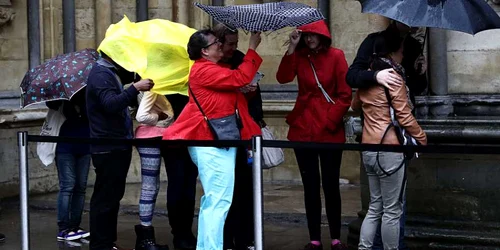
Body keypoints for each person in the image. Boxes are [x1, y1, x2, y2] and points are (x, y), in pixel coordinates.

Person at [162, 29, 263, 250]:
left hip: (216, 140)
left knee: (214, 201)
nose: (220, 45)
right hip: (210, 141)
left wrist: (244, 89)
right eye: (216, 42)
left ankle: (208, 247)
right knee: (219, 201)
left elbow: (229, 95)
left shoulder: (211, 69)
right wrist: (252, 48)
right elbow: (240, 76)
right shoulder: (203, 69)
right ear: (204, 51)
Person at [346, 20, 427, 249]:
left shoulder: (370, 80)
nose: (405, 55)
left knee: (375, 206)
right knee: (392, 211)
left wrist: (420, 72)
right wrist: (422, 138)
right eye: (402, 53)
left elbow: (355, 105)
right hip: (391, 148)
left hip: (369, 146)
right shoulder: (393, 78)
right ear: (393, 53)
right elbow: (404, 115)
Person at [276, 20, 352, 250]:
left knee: (330, 186)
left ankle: (336, 238)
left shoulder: (336, 56)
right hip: (303, 127)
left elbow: (345, 94)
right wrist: (291, 47)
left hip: (329, 129)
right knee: (310, 186)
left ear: (322, 35)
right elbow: (282, 77)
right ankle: (315, 238)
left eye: (312, 35)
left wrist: (330, 121)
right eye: (305, 35)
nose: (309, 39)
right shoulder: (299, 56)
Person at [86, 52, 154, 250]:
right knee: (105, 198)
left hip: (117, 144)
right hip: (107, 146)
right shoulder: (100, 74)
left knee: (112, 197)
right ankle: (101, 244)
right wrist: (134, 89)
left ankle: (107, 241)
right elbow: (110, 104)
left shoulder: (110, 72)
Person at [46, 90, 91, 243]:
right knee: (68, 185)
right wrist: (65, 97)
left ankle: (75, 226)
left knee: (81, 186)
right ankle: (63, 228)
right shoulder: (62, 94)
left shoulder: (88, 93)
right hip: (65, 147)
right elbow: (51, 104)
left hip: (85, 146)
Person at [134, 91, 173, 250]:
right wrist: (160, 117)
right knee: (149, 187)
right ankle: (145, 238)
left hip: (154, 136)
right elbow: (141, 116)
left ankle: (145, 238)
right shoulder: (152, 86)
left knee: (153, 186)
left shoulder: (154, 84)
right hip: (150, 136)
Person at [161, 93, 199, 250]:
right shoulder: (167, 82)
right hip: (173, 138)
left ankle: (186, 231)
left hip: (193, 135)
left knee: (189, 186)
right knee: (178, 184)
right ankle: (179, 232)